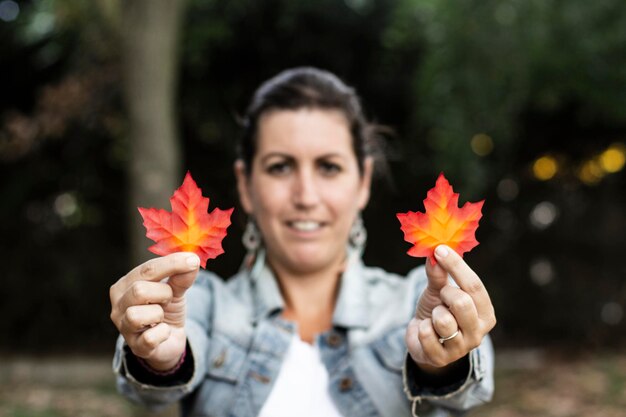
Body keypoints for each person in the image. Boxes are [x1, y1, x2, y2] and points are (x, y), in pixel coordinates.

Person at [109, 67, 496, 417]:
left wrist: (438, 360)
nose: (306, 195)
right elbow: (149, 390)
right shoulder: (202, 303)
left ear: (362, 182)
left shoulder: (415, 300)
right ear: (246, 185)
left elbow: (470, 392)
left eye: (329, 167)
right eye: (280, 167)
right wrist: (161, 360)